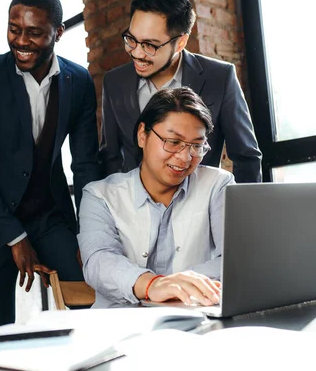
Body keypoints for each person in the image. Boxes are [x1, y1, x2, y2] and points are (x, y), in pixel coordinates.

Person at [0, 0, 100, 330]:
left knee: (93, 300)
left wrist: (91, 235)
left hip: (49, 217)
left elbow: (85, 165)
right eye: (13, 29)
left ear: (58, 32)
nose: (20, 41)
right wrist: (14, 238)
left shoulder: (78, 80)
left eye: (34, 32)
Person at [79, 87, 231, 308]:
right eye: (173, 141)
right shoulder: (99, 195)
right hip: (119, 323)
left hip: (192, 322)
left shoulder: (218, 185)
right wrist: (153, 285)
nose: (184, 157)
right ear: (143, 135)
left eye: (196, 146)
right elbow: (98, 261)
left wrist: (176, 285)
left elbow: (234, 259)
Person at [99, 0, 262, 182]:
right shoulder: (114, 82)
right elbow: (110, 158)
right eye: (131, 39)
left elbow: (246, 157)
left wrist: (240, 211)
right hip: (134, 208)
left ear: (181, 42)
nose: (137, 53)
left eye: (150, 45)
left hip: (202, 207)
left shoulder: (220, 77)